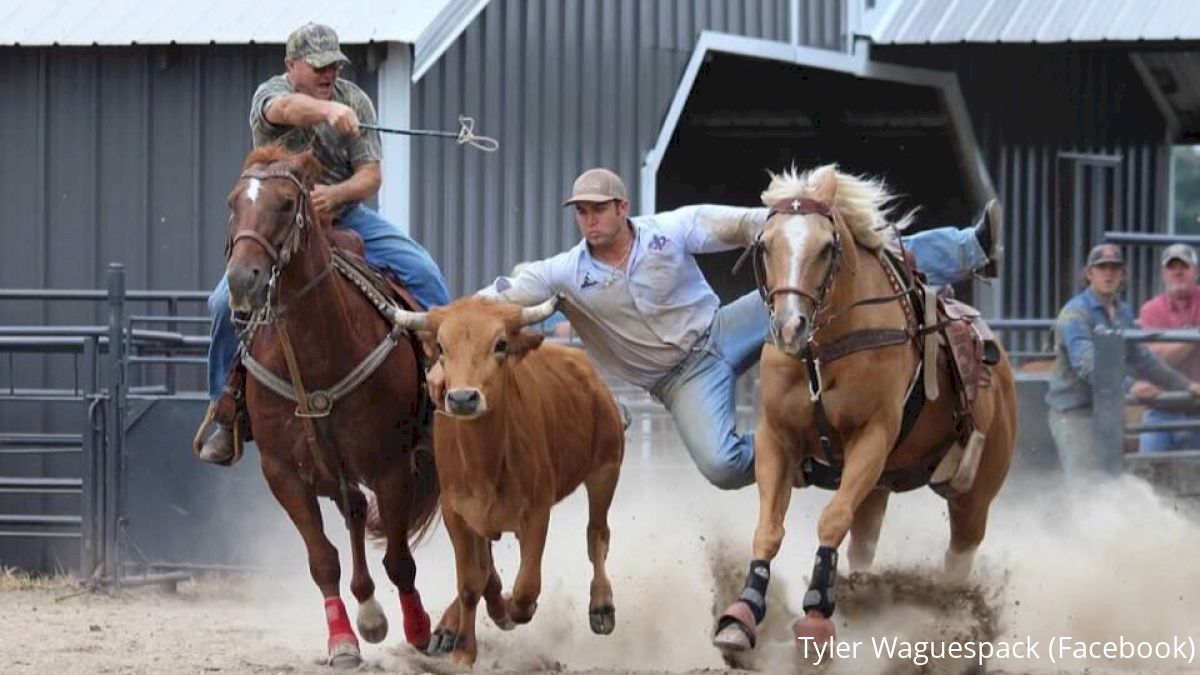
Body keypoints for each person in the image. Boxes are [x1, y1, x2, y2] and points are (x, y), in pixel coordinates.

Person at [435, 167, 1003, 490]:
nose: (589, 219)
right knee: (725, 467)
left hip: (723, 329)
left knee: (825, 253)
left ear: (621, 207)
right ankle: (820, 465)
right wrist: (450, 338)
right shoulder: (564, 273)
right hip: (678, 378)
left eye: (598, 208)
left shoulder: (669, 231)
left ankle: (967, 247)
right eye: (581, 211)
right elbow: (498, 299)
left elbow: (748, 225)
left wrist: (799, 218)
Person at [197, 23, 451, 463]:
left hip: (343, 214)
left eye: (333, 64)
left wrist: (336, 195)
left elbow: (371, 173)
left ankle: (442, 376)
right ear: (291, 66)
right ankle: (227, 409)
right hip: (279, 220)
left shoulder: (356, 100)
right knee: (224, 303)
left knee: (424, 272)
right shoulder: (272, 94)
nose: (328, 72)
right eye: (318, 65)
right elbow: (284, 109)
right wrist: (325, 112)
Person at [1045, 243, 1200, 482]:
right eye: (1102, 268)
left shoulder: (1122, 312)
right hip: (1076, 412)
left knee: (1109, 482)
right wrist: (1130, 385)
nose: (1108, 274)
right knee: (1086, 485)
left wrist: (1185, 385)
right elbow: (1086, 363)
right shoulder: (1075, 314)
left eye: (1114, 268)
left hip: (1107, 409)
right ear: (1089, 274)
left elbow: (1143, 359)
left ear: (1123, 274)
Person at [1134, 243, 1200, 452]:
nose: (1178, 272)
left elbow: (1161, 356)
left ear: (1195, 272)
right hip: (1161, 408)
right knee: (1151, 471)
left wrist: (1171, 346)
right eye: (1172, 267)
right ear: (1164, 274)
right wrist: (1194, 337)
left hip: (1197, 408)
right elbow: (1154, 362)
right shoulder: (1151, 310)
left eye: (1185, 266)